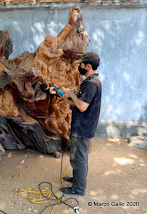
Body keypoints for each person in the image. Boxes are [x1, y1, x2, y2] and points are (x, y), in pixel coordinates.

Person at [50, 51, 102, 195]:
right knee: (77, 156)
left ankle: (78, 189)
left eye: (82, 65)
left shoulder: (92, 84)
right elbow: (75, 102)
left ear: (88, 66)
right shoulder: (89, 82)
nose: (79, 67)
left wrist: (71, 93)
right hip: (81, 125)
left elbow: (82, 106)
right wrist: (58, 92)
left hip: (83, 128)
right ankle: (77, 179)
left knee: (79, 158)